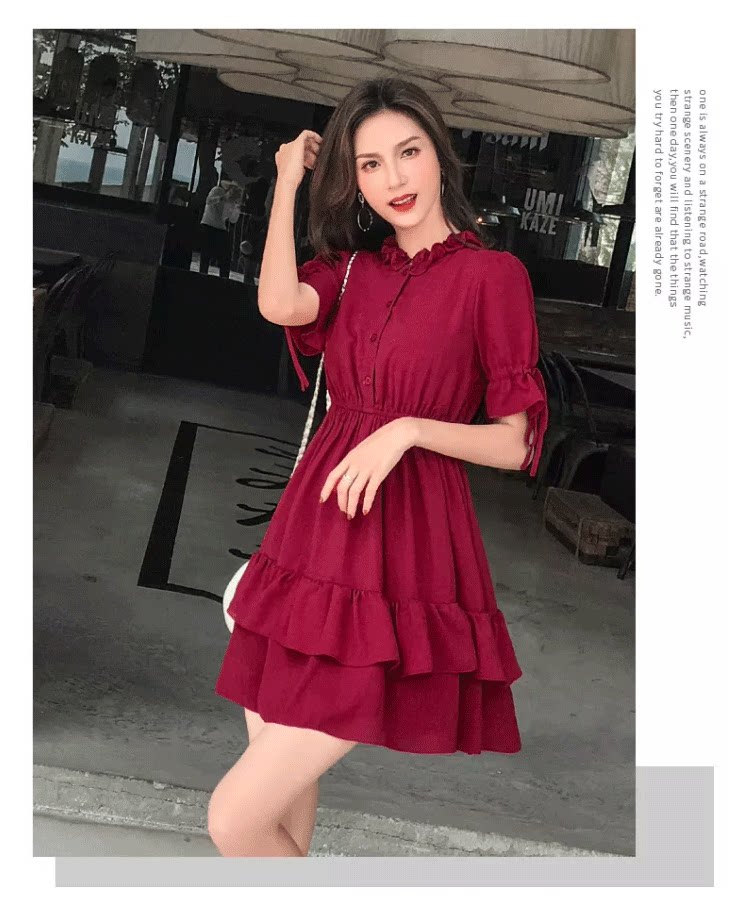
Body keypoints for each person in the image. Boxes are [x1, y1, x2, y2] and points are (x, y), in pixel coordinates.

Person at [209, 77, 549, 858]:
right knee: (278, 808)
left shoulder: (493, 278)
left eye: (408, 152)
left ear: (440, 156)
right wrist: (286, 183)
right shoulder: (355, 271)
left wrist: (407, 430)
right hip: (307, 542)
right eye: (369, 164)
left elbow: (515, 443)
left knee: (235, 819)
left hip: (396, 557)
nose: (394, 178)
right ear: (354, 180)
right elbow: (278, 304)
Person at [198, 179, 242, 278]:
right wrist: (223, 198)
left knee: (225, 258)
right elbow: (209, 201)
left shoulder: (232, 202)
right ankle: (202, 276)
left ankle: (223, 280)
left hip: (221, 228)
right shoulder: (217, 190)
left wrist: (237, 207)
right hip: (208, 225)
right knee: (205, 256)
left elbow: (233, 220)